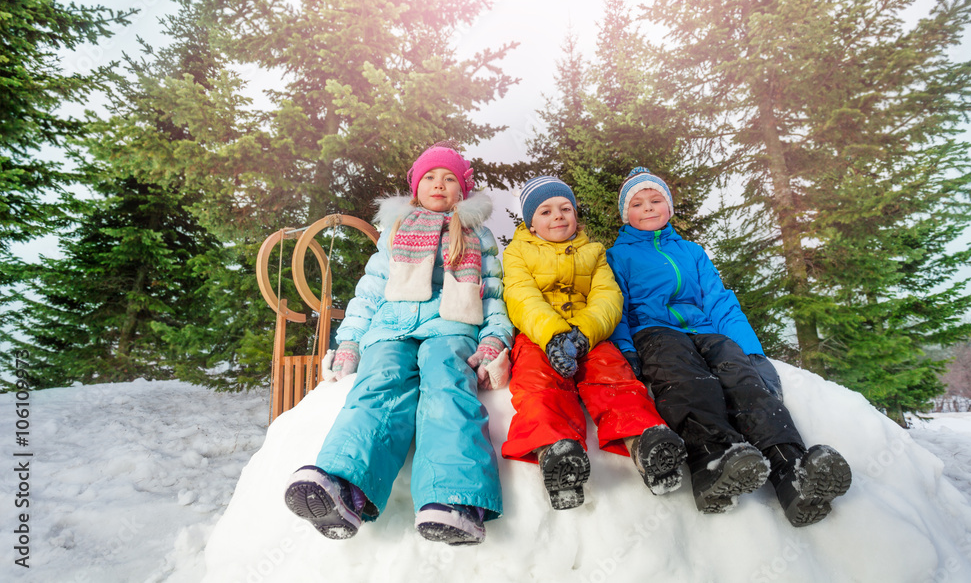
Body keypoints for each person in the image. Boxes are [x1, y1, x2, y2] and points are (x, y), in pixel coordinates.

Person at [283, 143, 514, 545]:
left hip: (451, 329)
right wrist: (351, 340)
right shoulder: (396, 232)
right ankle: (344, 487)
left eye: (449, 179)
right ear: (415, 188)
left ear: (463, 189)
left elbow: (494, 293)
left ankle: (455, 501)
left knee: (446, 388)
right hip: (391, 329)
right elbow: (370, 292)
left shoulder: (478, 234)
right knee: (379, 384)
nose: (438, 185)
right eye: (429, 177)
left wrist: (494, 339)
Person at [606, 167, 852, 527]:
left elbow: (720, 301)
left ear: (669, 208)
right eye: (638, 203)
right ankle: (712, 463)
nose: (648, 208)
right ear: (625, 215)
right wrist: (626, 350)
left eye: (656, 200)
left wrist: (751, 352)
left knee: (744, 382)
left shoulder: (691, 252)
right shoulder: (618, 256)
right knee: (688, 383)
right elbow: (616, 306)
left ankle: (791, 471)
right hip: (655, 333)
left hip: (706, 331)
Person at [500, 175, 686, 510]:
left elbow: (608, 297)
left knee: (613, 376)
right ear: (530, 225)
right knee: (537, 384)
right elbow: (520, 296)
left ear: (575, 215)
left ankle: (645, 443)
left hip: (589, 335)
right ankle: (556, 452)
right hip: (538, 335)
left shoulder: (594, 252)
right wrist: (554, 335)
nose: (557, 216)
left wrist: (583, 335)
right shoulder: (517, 254)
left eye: (565, 208)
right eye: (545, 211)